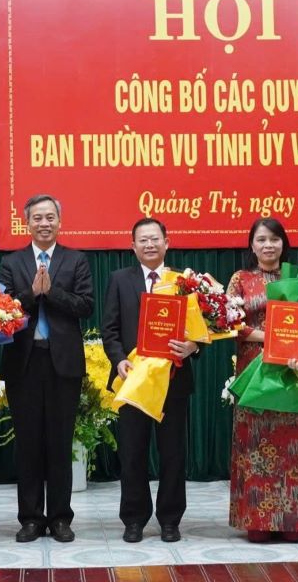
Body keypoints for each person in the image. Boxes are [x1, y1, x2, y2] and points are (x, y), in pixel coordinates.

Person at [0, 194, 94, 543]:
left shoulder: (76, 260)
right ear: (27, 222)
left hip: (63, 364)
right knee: (28, 444)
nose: (44, 223)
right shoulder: (12, 262)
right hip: (23, 362)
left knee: (59, 441)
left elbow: (86, 305)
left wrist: (51, 294)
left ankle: (60, 519)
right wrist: (30, 294)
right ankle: (30, 519)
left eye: (50, 217)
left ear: (59, 221)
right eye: (37, 217)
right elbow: (2, 308)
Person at [101, 218, 199, 543]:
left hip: (174, 381)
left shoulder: (184, 282)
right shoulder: (119, 280)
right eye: (142, 240)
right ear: (133, 247)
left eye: (155, 239)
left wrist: (193, 346)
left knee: (173, 454)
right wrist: (119, 360)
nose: (149, 245)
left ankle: (170, 520)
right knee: (132, 453)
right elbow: (110, 329)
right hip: (135, 382)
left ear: (167, 242)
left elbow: (200, 330)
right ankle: (134, 519)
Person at [225, 217, 298, 543]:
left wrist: (295, 345)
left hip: (290, 370)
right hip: (254, 372)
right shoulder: (240, 279)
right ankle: (257, 518)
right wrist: (271, 338)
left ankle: (293, 519)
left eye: (274, 239)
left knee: (292, 446)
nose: (268, 245)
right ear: (252, 245)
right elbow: (231, 324)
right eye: (261, 239)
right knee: (255, 445)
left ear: (282, 243)